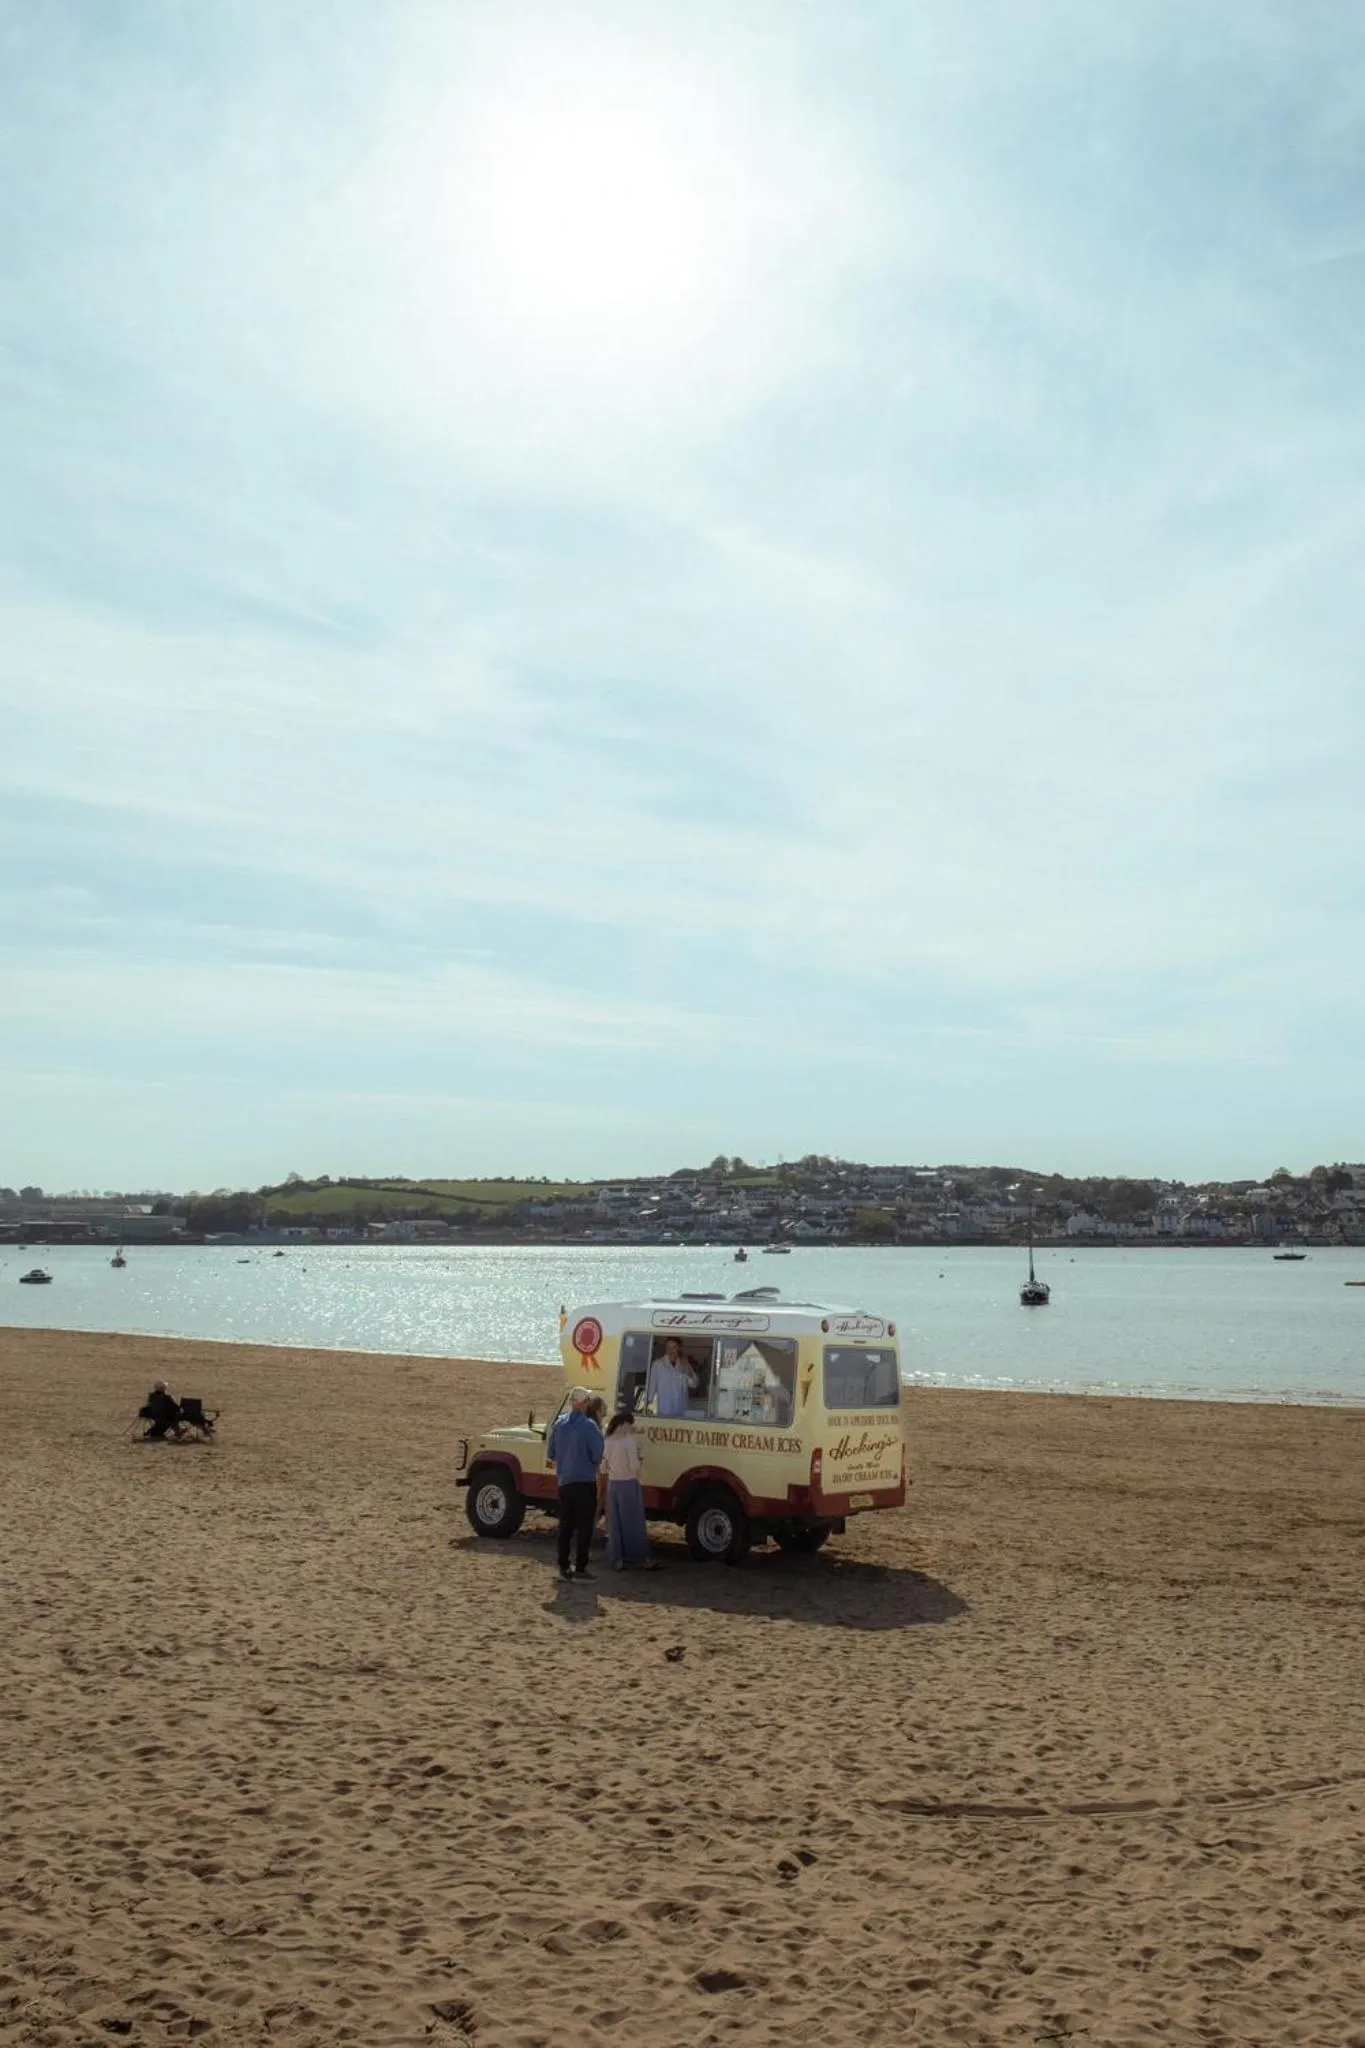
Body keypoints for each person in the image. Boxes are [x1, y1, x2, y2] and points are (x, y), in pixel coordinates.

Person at [546, 1387, 604, 1583]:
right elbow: (597, 1455)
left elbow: (551, 1453)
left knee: (565, 1526)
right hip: (584, 1481)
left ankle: (563, 1566)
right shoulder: (589, 1426)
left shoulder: (560, 1424)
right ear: (584, 1403)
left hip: (564, 1481)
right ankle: (580, 1568)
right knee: (584, 1527)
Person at [601, 1410, 658, 1571]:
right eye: (630, 1425)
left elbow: (603, 1467)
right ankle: (639, 1557)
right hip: (628, 1483)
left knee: (615, 1522)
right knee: (633, 1522)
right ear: (624, 1424)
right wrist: (640, 1461)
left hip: (613, 1484)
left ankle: (617, 1558)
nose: (631, 1428)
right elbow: (634, 1466)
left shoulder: (608, 1441)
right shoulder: (628, 1442)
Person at [644, 1337, 698, 1418]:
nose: (671, 1350)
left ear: (679, 1349)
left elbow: (694, 1384)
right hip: (663, 1409)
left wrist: (687, 1368)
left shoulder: (684, 1364)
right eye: (668, 1347)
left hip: (681, 1409)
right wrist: (648, 1406)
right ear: (665, 1349)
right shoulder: (658, 1364)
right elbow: (652, 1387)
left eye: (674, 1347)